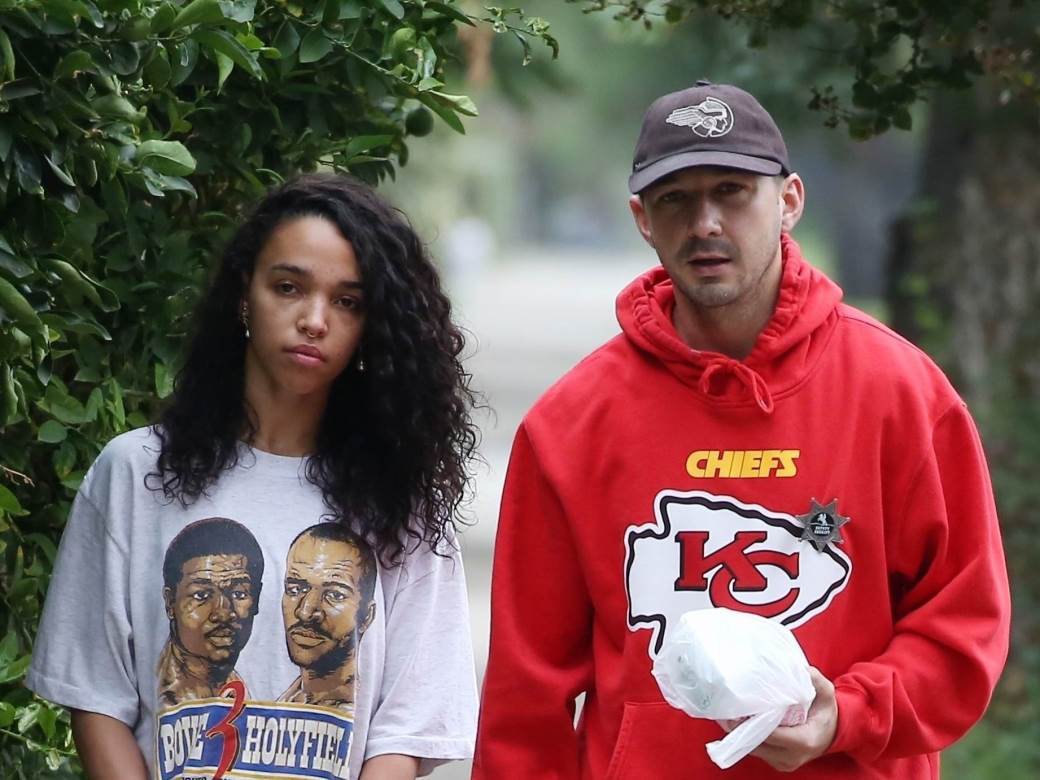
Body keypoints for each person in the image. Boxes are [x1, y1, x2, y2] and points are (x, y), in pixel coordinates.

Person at [473, 81, 1011, 778]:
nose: (705, 223)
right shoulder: (570, 424)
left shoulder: (901, 395)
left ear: (789, 200)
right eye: (675, 198)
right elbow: (526, 695)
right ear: (642, 218)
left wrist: (847, 714)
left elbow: (964, 627)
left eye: (732, 191)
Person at [27, 174, 480, 780]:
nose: (314, 319)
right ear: (245, 295)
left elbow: (409, 728)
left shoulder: (404, 501)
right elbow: (96, 699)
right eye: (288, 287)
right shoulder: (135, 475)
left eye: (347, 302)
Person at [158, 517, 264, 706]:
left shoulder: (240, 689)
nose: (223, 613)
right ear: (170, 602)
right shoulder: (163, 697)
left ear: (256, 599)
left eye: (239, 593)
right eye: (201, 595)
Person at [279, 523, 378, 710]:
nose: (305, 612)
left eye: (335, 595)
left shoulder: (355, 709)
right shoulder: (292, 699)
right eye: (296, 589)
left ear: (367, 616)